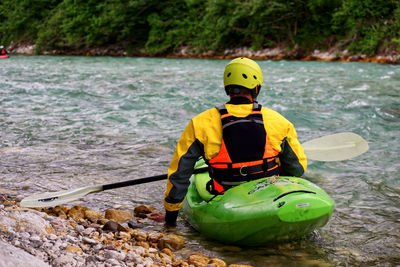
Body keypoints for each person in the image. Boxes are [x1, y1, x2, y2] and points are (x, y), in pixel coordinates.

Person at [163, 57, 307, 226]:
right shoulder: (279, 121)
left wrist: (170, 219)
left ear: (227, 88)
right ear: (256, 88)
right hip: (268, 196)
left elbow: (180, 172)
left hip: (224, 197)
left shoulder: (200, 122)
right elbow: (297, 169)